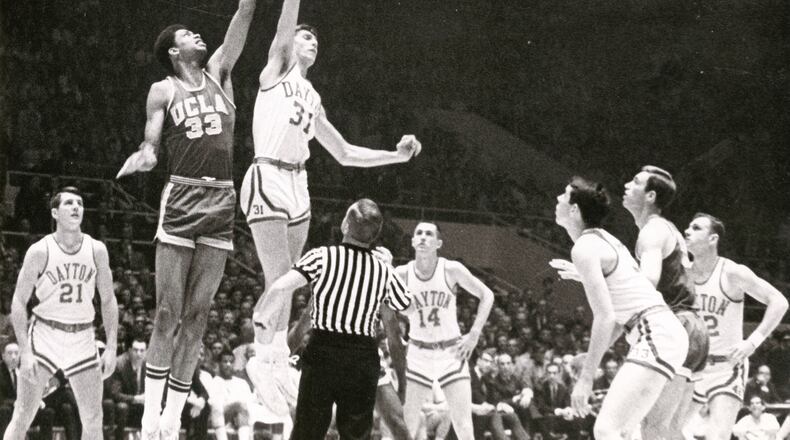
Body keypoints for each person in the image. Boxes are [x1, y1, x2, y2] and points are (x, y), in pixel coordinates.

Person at [243, 0, 421, 420]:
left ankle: (274, 357)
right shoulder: (278, 70)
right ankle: (264, 358)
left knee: (291, 281)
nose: (312, 43)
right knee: (280, 276)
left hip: (298, 182)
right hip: (267, 172)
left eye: (317, 41)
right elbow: (285, 25)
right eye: (306, 37)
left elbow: (343, 152)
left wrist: (395, 157)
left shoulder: (312, 94)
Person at [115, 1, 257, 438]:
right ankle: (148, 415)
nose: (197, 35)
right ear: (173, 51)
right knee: (166, 313)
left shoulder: (219, 71)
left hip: (221, 199)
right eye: (186, 34)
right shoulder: (163, 89)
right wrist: (144, 156)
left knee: (198, 316)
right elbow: (151, 141)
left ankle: (172, 416)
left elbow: (242, 19)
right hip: (182, 194)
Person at [255, 199, 412, 439]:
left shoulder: (321, 256)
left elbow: (279, 288)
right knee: (356, 433)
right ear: (375, 236)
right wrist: (389, 268)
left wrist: (262, 317)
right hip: (362, 357)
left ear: (345, 225)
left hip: (323, 351)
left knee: (308, 431)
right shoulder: (383, 271)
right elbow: (407, 306)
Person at [550, 176, 688, 440]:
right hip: (663, 333)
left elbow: (605, 316)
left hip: (656, 333)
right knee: (625, 431)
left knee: (607, 429)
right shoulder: (603, 240)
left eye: (563, 196)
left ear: (575, 210)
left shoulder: (585, 247)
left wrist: (586, 378)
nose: (557, 199)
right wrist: (594, 356)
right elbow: (619, 314)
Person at [3, 187, 118, 440]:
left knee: (93, 418)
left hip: (82, 336)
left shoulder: (97, 249)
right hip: (45, 334)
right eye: (68, 203)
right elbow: (18, 302)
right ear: (55, 212)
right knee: (23, 414)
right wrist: (25, 350)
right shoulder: (40, 251)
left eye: (79, 203)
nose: (76, 207)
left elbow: (108, 299)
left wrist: (111, 346)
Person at [621, 165, 710, 439]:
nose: (626, 184)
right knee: (669, 429)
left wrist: (606, 279)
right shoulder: (666, 229)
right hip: (694, 328)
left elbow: (646, 283)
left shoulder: (652, 231)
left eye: (635, 182)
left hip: (676, 325)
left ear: (649, 196)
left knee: (653, 428)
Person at [682, 213, 788, 440]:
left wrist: (753, 341)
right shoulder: (683, 275)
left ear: (713, 239)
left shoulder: (731, 272)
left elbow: (779, 301)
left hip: (726, 367)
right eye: (688, 227)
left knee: (717, 436)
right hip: (692, 366)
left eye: (696, 228)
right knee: (665, 430)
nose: (687, 231)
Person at [108, 337, 148, 440]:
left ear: (146, 352)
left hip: (143, 406)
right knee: (122, 407)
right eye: (135, 350)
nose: (139, 354)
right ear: (129, 351)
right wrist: (136, 399)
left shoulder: (149, 365)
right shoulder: (119, 365)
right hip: (127, 406)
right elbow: (115, 394)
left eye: (142, 351)